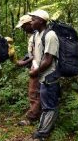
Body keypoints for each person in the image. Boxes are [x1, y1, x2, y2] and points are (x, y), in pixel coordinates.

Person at [28, 10, 60, 140]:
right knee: (46, 104)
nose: (31, 22)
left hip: (50, 76)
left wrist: (36, 72)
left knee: (49, 106)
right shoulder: (37, 35)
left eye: (34, 19)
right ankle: (43, 129)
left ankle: (43, 133)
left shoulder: (50, 35)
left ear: (41, 21)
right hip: (43, 76)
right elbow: (38, 57)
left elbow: (48, 60)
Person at [15, 15, 42, 126]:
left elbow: (37, 55)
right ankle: (39, 115)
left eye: (24, 26)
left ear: (29, 24)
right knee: (38, 93)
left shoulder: (37, 36)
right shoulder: (35, 35)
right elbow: (32, 54)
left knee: (33, 93)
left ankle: (31, 118)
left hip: (37, 69)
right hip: (38, 67)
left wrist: (24, 63)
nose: (23, 29)